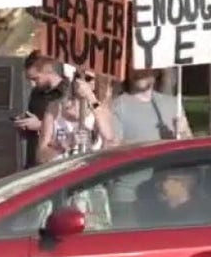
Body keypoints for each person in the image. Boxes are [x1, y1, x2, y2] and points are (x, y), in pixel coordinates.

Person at [109, 68, 192, 224]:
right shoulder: (118, 106)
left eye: (145, 67)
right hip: (130, 196)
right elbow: (112, 150)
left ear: (156, 71)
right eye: (135, 67)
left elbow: (191, 150)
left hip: (168, 199)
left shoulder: (173, 104)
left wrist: (182, 135)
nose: (139, 71)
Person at [36, 72, 117, 163]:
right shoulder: (55, 109)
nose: (81, 81)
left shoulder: (100, 110)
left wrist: (90, 97)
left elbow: (109, 138)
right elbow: (40, 156)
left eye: (88, 78)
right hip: (62, 172)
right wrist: (66, 143)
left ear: (96, 83)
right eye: (78, 76)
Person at [15, 52, 68, 169]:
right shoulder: (36, 93)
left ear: (47, 70)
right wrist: (25, 124)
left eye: (35, 78)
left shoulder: (67, 94)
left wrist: (39, 125)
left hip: (56, 161)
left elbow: (70, 129)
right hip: (34, 159)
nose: (32, 84)